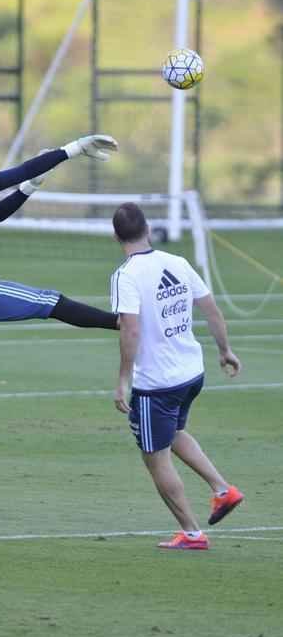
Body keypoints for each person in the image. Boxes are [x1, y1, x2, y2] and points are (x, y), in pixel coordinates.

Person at [0, 135, 119, 508]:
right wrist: (72, 150)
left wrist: (32, 185)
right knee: (47, 301)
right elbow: (16, 172)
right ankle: (122, 324)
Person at [110, 202, 244, 550]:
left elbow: (131, 331)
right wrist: (225, 350)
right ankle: (222, 490)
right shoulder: (178, 263)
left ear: (115, 236)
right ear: (149, 230)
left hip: (157, 383)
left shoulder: (127, 275)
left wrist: (124, 379)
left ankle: (192, 533)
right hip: (191, 373)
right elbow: (212, 311)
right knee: (173, 432)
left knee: (155, 457)